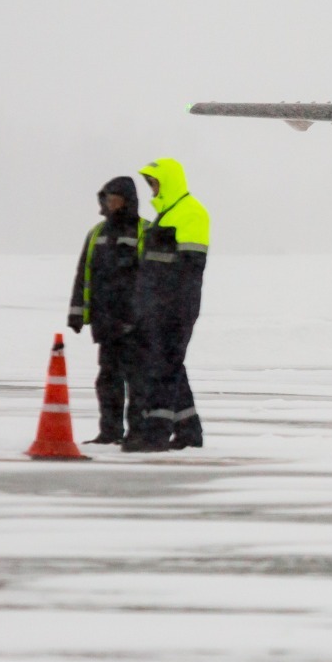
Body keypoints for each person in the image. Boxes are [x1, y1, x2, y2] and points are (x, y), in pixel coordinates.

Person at [124, 157, 211, 452]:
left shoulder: (192, 213)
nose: (152, 188)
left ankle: (156, 433)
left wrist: (171, 306)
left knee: (164, 366)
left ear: (169, 182)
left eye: (155, 182)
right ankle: (189, 430)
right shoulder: (164, 216)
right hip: (156, 306)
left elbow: (189, 268)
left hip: (176, 307)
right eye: (150, 183)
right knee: (170, 365)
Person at [66, 177, 148, 445]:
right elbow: (84, 275)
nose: (110, 204)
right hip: (105, 322)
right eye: (107, 198)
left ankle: (137, 432)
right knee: (108, 380)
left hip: (135, 323)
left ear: (127, 201)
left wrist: (144, 315)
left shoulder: (144, 231)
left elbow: (152, 279)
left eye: (115, 198)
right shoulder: (96, 234)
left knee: (137, 380)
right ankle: (110, 432)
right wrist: (77, 312)